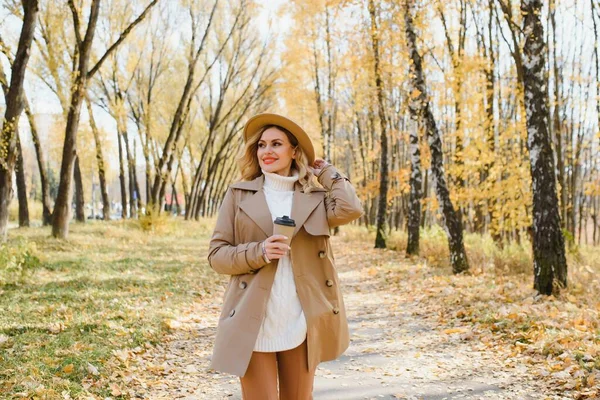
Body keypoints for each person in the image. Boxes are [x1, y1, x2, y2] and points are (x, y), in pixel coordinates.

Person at [207, 113, 363, 399]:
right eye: (262, 145)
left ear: (294, 151)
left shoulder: (314, 199)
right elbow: (217, 255)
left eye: (276, 144)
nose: (267, 151)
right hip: (252, 320)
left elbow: (350, 208)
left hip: (301, 321)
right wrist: (259, 251)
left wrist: (326, 171)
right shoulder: (238, 195)